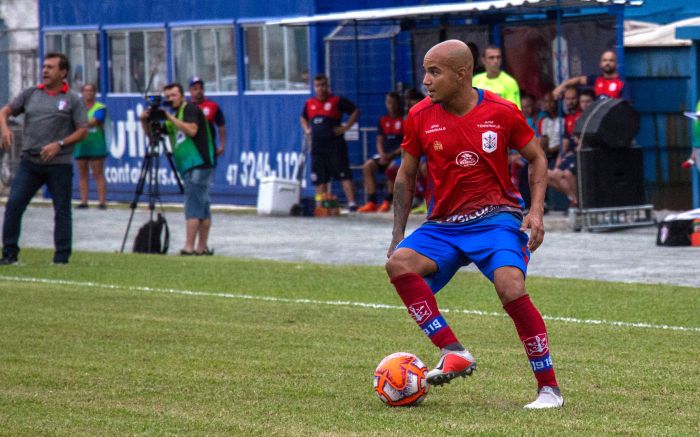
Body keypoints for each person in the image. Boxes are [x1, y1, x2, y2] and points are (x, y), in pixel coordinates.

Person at [385, 40, 562, 409]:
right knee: (398, 265)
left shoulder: (501, 112)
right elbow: (405, 176)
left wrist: (537, 211)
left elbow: (537, 158)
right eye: (425, 71)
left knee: (510, 287)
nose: (426, 81)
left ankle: (549, 389)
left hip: (495, 218)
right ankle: (453, 351)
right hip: (444, 225)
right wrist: (397, 236)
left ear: (462, 74)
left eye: (434, 72)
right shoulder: (419, 115)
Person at [0, 53, 88, 265]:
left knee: (62, 210)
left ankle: (61, 257)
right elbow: (5, 111)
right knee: (14, 205)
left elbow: (82, 131)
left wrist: (59, 144)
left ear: (63, 72)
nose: (45, 71)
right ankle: (9, 254)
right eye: (44, 67)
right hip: (31, 162)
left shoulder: (72, 100)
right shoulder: (31, 94)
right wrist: (4, 129)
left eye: (50, 67)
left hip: (59, 164)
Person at [141, 83, 215, 256]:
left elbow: (192, 130)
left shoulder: (189, 109)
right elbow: (153, 135)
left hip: (198, 162)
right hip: (191, 165)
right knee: (203, 207)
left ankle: (189, 247)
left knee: (193, 206)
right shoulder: (175, 116)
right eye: (168, 96)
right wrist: (144, 120)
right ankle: (201, 248)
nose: (171, 99)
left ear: (182, 95)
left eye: (174, 95)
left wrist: (169, 117)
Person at [301, 74, 360, 212]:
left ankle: (352, 203)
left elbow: (355, 111)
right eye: (317, 86)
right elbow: (303, 118)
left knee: (344, 174)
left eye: (323, 85)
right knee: (320, 178)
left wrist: (346, 127)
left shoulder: (336, 100)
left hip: (335, 146)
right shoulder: (310, 104)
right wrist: (307, 130)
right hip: (317, 147)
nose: (320, 88)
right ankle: (321, 205)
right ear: (314, 87)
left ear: (327, 86)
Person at [358, 92, 403, 213]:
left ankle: (387, 201)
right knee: (367, 166)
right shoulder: (383, 120)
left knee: (391, 167)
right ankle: (371, 202)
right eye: (389, 102)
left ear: (398, 104)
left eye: (394, 103)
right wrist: (382, 154)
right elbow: (379, 140)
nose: (391, 105)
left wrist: (392, 154)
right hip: (385, 155)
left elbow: (407, 142)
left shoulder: (404, 119)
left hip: (398, 155)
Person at [74, 83, 108, 209]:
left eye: (91, 91)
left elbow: (95, 121)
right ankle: (84, 201)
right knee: (82, 173)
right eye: (85, 91)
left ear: (94, 93)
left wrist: (79, 124)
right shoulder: (78, 108)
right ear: (82, 93)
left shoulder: (100, 107)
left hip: (96, 144)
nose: (88, 93)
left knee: (98, 173)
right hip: (81, 144)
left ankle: (102, 202)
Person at [548, 87, 581, 207]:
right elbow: (564, 144)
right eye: (567, 99)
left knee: (566, 174)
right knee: (548, 175)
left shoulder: (582, 115)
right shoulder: (568, 118)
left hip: (578, 154)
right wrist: (558, 162)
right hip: (569, 155)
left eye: (573, 98)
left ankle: (578, 202)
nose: (570, 101)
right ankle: (574, 199)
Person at [553, 50, 629, 101]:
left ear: (616, 64)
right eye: (605, 60)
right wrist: (561, 87)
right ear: (600, 64)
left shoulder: (622, 82)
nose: (607, 63)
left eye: (611, 60)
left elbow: (627, 106)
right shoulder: (597, 79)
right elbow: (578, 80)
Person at [188, 76, 226, 161]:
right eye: (195, 88)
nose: (199, 91)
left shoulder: (212, 106)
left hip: (208, 149)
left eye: (201, 88)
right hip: (191, 150)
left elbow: (221, 126)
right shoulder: (186, 107)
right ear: (190, 91)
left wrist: (222, 145)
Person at [472, 44, 521, 109]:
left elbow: (513, 110)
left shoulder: (510, 82)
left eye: (498, 57)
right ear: (483, 60)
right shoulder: (475, 80)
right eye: (491, 57)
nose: (495, 61)